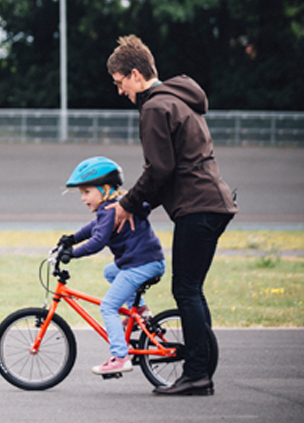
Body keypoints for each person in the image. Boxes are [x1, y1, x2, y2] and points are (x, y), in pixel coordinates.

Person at [106, 35, 238, 396]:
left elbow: (159, 170)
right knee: (192, 290)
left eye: (120, 83)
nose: (120, 92)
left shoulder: (154, 108)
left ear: (135, 74)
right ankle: (202, 367)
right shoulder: (179, 98)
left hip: (198, 206)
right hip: (212, 202)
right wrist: (140, 203)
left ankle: (196, 374)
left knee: (186, 290)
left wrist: (126, 204)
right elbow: (169, 171)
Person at [58, 156, 166, 376]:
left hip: (141, 265)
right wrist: (72, 239)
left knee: (108, 306)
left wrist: (73, 254)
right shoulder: (111, 207)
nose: (83, 198)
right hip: (148, 262)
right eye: (81, 193)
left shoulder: (108, 210)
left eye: (87, 192)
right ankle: (141, 310)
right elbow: (93, 227)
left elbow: (97, 241)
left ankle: (120, 357)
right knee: (110, 271)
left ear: (105, 188)